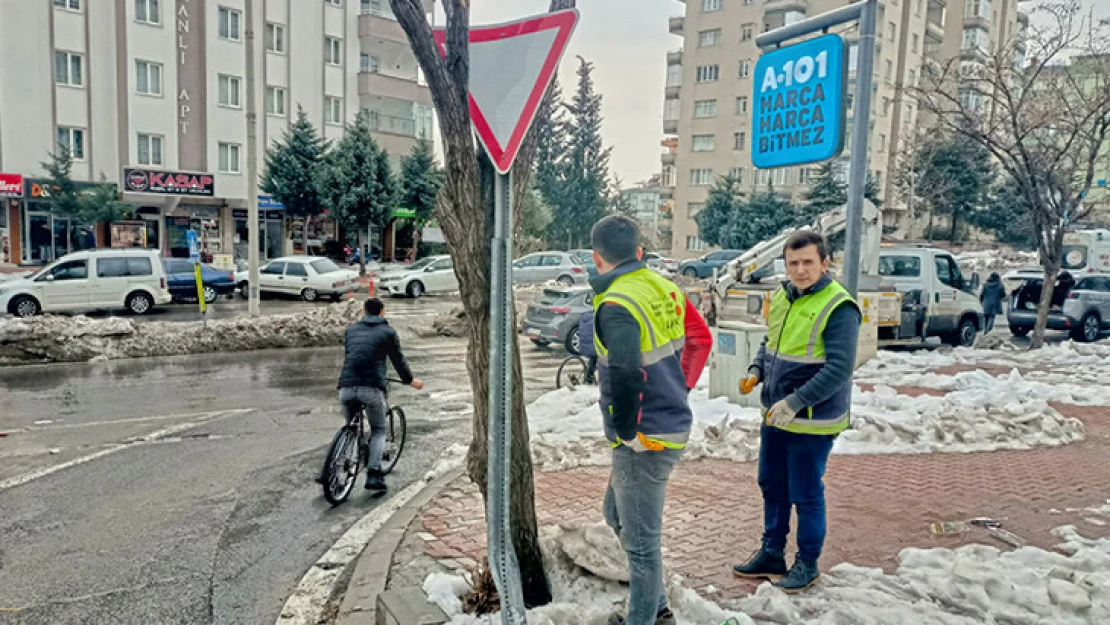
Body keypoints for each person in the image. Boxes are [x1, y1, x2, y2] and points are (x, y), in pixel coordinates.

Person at [590, 216, 712, 625]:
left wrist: (628, 433)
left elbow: (625, 373)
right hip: (662, 423)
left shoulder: (617, 303)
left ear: (596, 257)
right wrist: (680, 389)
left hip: (643, 437)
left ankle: (649, 617)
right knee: (616, 514)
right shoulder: (666, 287)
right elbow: (698, 339)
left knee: (642, 546)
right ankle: (656, 607)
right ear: (638, 252)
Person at [733, 230, 861, 594]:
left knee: (805, 492)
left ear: (825, 263)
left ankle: (808, 563)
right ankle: (772, 553)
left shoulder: (839, 306)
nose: (800, 270)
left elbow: (838, 369)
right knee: (772, 484)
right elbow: (770, 342)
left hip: (813, 419)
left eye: (808, 262)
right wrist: (756, 371)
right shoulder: (783, 296)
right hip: (776, 415)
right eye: (793, 263)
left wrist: (794, 402)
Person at [334, 297, 423, 493]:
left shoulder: (351, 330)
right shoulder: (387, 332)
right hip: (371, 387)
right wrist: (410, 381)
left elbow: (355, 355)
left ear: (363, 312)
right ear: (382, 312)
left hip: (346, 387)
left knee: (352, 427)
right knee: (378, 430)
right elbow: (398, 360)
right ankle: (374, 474)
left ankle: (341, 460)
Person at [577, 309, 598, 384]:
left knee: (593, 359)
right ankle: (589, 378)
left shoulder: (585, 317)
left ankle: (589, 375)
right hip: (594, 347)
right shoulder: (598, 318)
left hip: (584, 346)